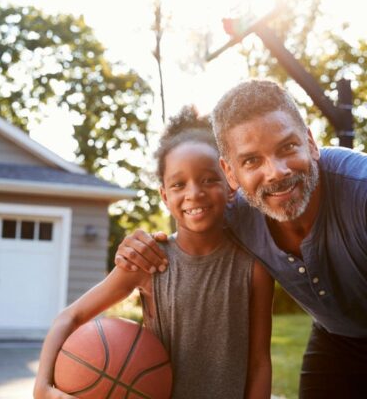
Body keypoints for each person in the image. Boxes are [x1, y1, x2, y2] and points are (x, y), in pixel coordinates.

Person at [115, 80, 367, 398]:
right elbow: (188, 231)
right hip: (338, 336)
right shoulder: (233, 214)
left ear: (311, 143)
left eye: (288, 147)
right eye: (251, 161)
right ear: (230, 174)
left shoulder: (361, 193)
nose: (275, 172)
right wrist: (140, 246)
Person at [33, 106, 274, 399]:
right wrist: (43, 388)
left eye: (209, 179)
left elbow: (260, 361)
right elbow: (69, 318)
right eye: (178, 184)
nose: (194, 193)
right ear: (164, 195)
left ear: (230, 183)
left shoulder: (253, 268)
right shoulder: (149, 260)